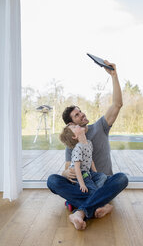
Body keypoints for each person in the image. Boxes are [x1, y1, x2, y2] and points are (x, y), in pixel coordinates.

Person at [47, 60, 128, 230]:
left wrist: (114, 75)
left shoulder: (100, 126)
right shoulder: (73, 143)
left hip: (103, 181)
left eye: (80, 110)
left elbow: (117, 104)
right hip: (83, 183)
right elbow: (67, 169)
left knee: (122, 179)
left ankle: (80, 210)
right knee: (52, 181)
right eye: (77, 115)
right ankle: (99, 203)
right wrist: (66, 172)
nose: (82, 114)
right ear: (71, 125)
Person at [60, 123, 108, 194]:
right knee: (92, 188)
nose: (77, 125)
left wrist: (95, 174)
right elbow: (77, 168)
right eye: (74, 127)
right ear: (75, 136)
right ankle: (94, 195)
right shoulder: (78, 148)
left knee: (102, 176)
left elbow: (91, 160)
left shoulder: (89, 143)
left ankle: (91, 193)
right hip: (78, 174)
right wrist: (82, 184)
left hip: (87, 173)